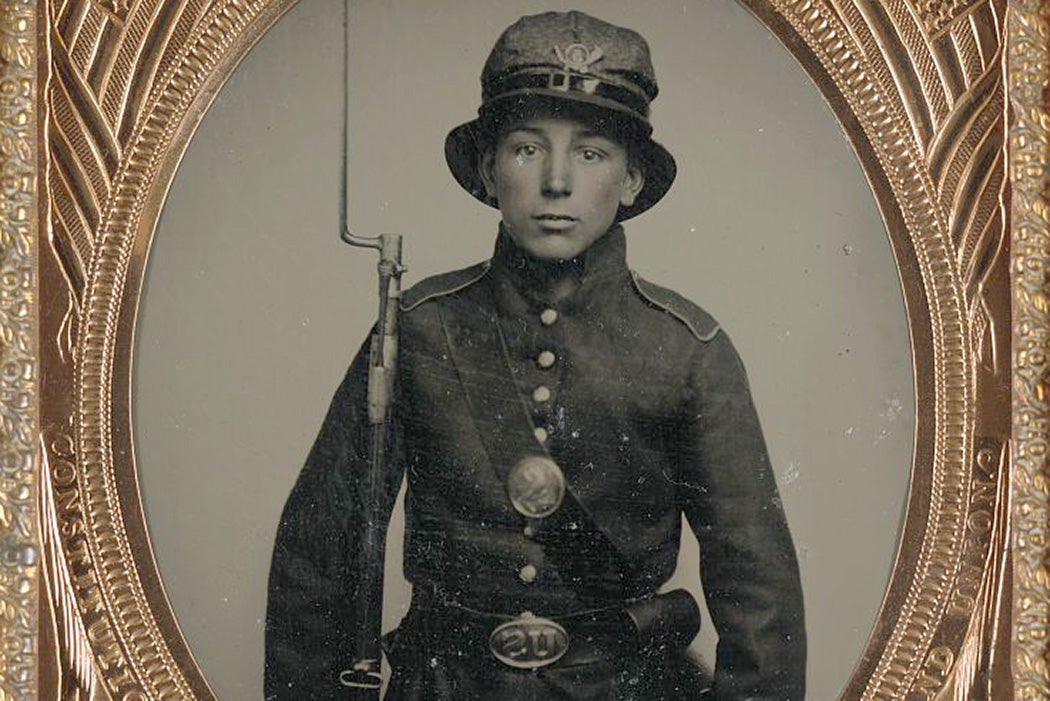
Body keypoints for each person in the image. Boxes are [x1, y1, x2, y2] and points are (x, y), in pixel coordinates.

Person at [266, 10, 806, 700]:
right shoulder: (419, 329)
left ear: (633, 179)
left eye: (591, 153)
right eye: (526, 148)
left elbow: (757, 590)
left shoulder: (688, 351)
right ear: (489, 171)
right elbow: (320, 553)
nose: (557, 181)